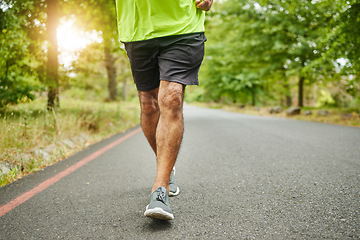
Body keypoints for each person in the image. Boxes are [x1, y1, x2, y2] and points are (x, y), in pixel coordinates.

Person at [115, 0, 213, 220]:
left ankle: (160, 191)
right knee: (149, 105)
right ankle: (167, 169)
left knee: (171, 97)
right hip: (137, 29)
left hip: (183, 26)